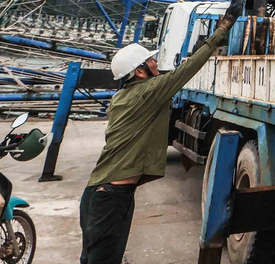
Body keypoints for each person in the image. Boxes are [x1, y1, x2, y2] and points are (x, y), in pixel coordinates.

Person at [78, 17, 235, 264]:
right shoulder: (148, 92)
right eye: (151, 61)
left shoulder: (121, 97)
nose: (156, 63)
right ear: (140, 71)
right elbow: (187, 69)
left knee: (92, 258)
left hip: (97, 193)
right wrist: (223, 29)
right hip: (111, 197)